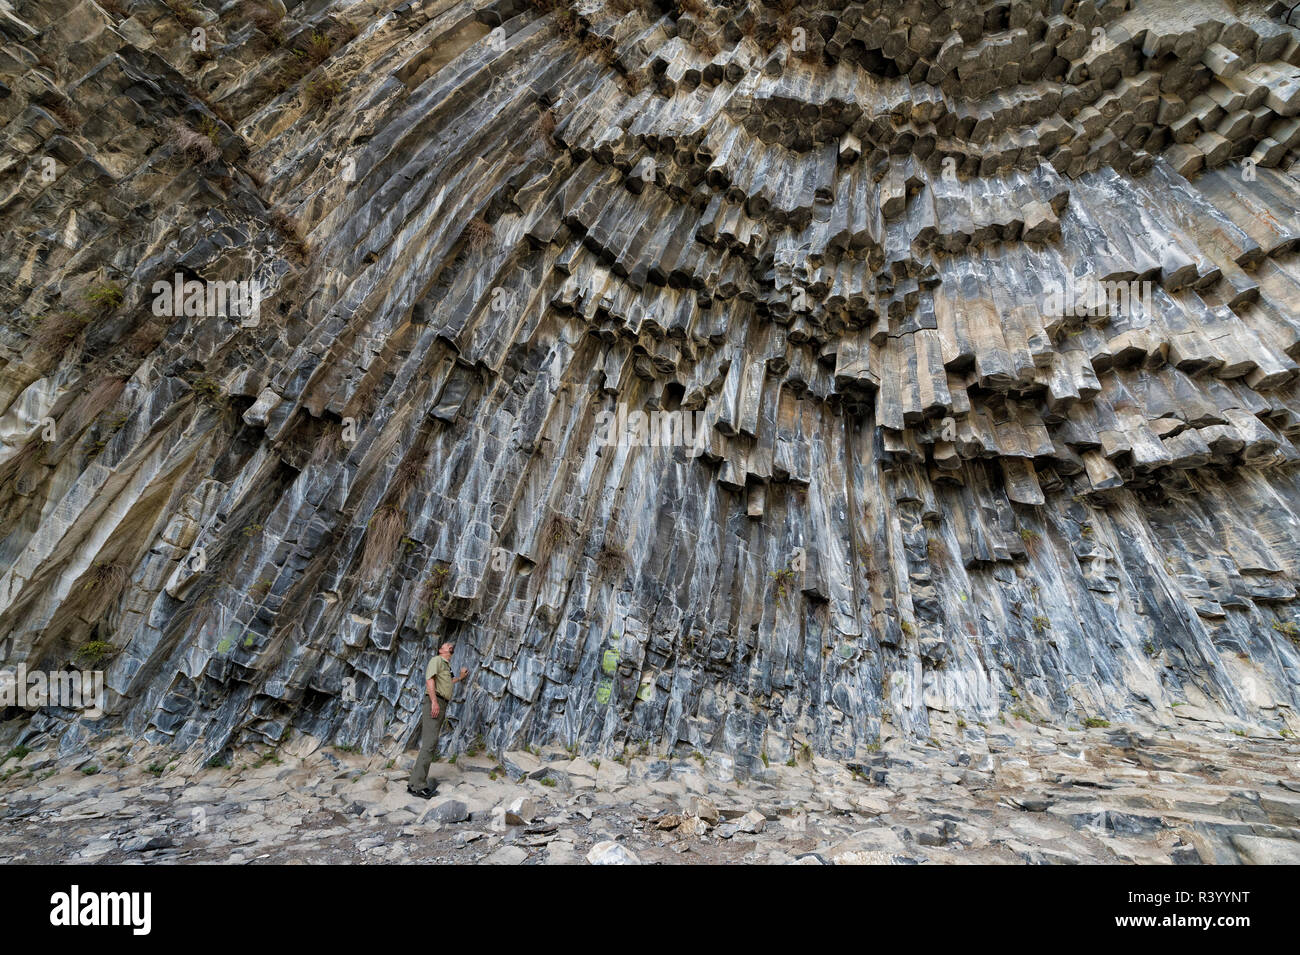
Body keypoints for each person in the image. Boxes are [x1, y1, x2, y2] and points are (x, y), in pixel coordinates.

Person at [407, 640, 469, 798]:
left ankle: (413, 783)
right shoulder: (436, 660)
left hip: (441, 703)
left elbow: (447, 682)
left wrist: (460, 677)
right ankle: (418, 785)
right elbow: (430, 680)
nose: (448, 645)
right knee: (429, 744)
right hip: (435, 702)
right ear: (443, 650)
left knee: (431, 743)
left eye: (448, 645)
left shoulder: (446, 665)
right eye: (445, 645)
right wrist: (434, 701)